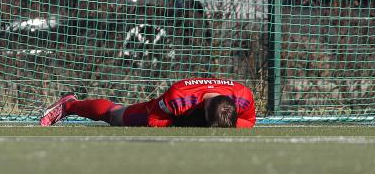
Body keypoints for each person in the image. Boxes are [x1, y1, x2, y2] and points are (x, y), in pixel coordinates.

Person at [39, 77, 256, 128]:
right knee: (115, 116)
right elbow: (154, 120)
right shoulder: (179, 98)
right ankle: (69, 105)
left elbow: (249, 122)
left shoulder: (244, 96)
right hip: (159, 110)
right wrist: (183, 124)